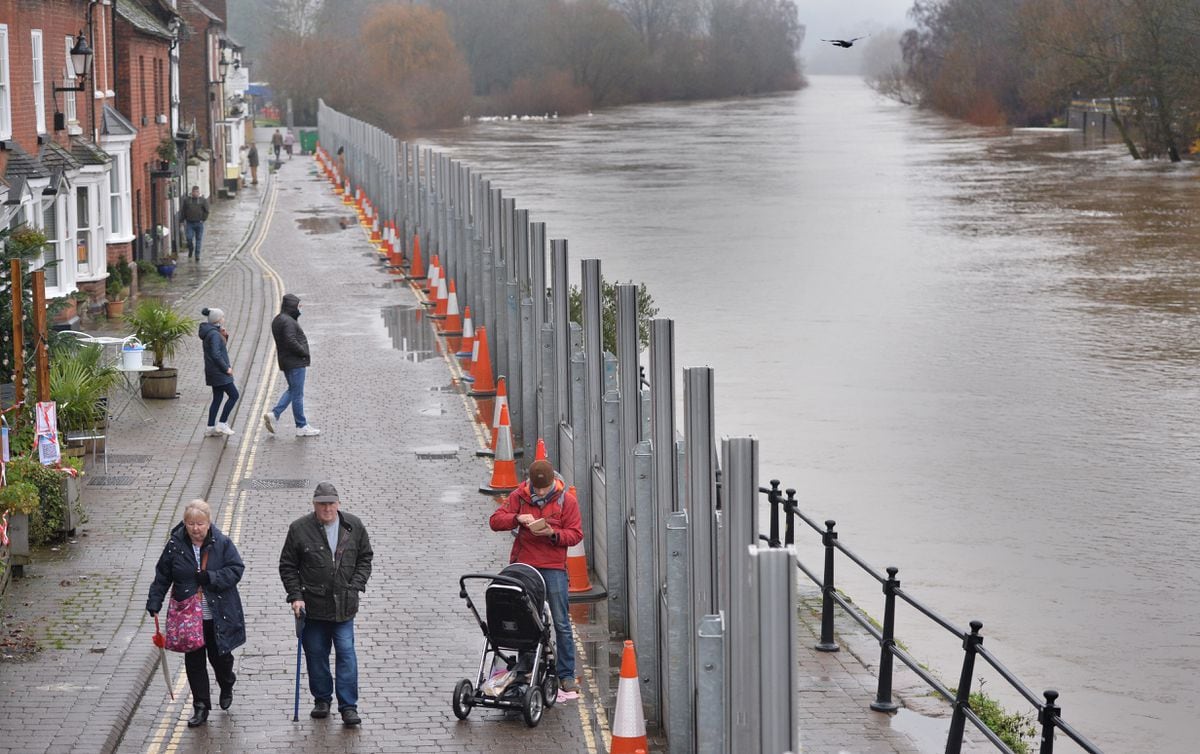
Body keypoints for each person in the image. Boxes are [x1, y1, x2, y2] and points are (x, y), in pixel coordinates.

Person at [279, 482, 373, 726]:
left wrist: (356, 585)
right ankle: (322, 699)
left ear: (338, 503)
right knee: (316, 655)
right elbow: (288, 566)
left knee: (346, 654)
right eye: (322, 504)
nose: (327, 508)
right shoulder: (299, 529)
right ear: (314, 505)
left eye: (331, 503)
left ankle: (348, 706)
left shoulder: (354, 525)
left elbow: (365, 557)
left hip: (344, 606)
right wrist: (295, 596)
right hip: (312, 606)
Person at [146, 499, 246, 728]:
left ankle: (227, 681)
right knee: (194, 662)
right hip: (188, 617)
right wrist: (154, 601)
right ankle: (201, 706)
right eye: (191, 523)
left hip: (217, 615)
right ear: (185, 523)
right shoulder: (174, 545)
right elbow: (162, 575)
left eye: (200, 523)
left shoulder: (222, 543)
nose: (195, 528)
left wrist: (212, 578)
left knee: (220, 658)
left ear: (208, 522)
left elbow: (236, 570)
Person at [489, 460, 583, 694]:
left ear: (553, 483)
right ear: (530, 483)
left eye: (544, 489)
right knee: (525, 618)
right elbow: (494, 521)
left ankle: (566, 674)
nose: (540, 493)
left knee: (561, 622)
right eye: (536, 489)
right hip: (525, 566)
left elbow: (575, 534)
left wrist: (553, 534)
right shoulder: (519, 497)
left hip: (553, 567)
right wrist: (516, 519)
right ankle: (527, 666)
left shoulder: (566, 501)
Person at [263, 293, 320, 437]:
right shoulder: (288, 321)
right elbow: (290, 340)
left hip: (286, 361)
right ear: (292, 306)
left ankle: (274, 415)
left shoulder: (279, 319)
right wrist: (303, 352)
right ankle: (301, 426)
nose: (300, 308)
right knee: (298, 395)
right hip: (295, 362)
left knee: (292, 390)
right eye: (298, 305)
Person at [199, 307, 238, 437]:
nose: (223, 319)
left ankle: (210, 428)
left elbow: (218, 349)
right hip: (219, 372)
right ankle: (222, 423)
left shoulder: (211, 332)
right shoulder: (214, 334)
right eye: (222, 317)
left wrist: (224, 335)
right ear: (217, 319)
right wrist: (226, 368)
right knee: (234, 395)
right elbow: (216, 354)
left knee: (217, 398)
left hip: (212, 372)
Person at [181, 186, 209, 261]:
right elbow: (183, 211)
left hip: (199, 223)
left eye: (197, 192)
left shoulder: (203, 200)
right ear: (192, 192)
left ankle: (197, 255)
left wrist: (203, 219)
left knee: (198, 239)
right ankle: (191, 249)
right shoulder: (187, 200)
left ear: (199, 192)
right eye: (194, 192)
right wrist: (181, 220)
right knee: (189, 238)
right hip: (190, 223)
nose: (195, 193)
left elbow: (206, 211)